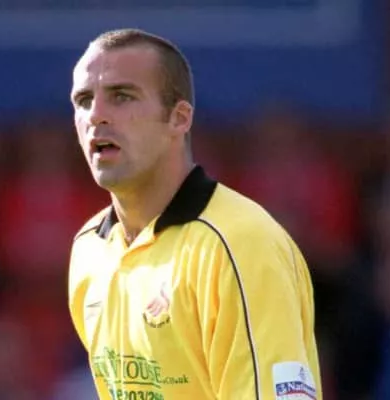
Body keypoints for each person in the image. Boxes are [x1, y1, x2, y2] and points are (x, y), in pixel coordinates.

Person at [67, 28, 322, 400]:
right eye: (84, 100)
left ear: (179, 118)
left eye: (122, 96)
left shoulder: (242, 244)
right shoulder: (89, 248)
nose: (96, 116)